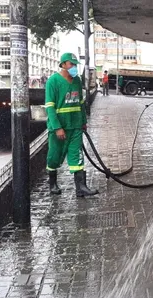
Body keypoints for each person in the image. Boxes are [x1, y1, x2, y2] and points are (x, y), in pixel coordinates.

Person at [45, 52, 99, 197]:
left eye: (75, 64)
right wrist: (57, 127)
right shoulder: (53, 82)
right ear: (63, 64)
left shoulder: (77, 80)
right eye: (71, 64)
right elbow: (50, 107)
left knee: (77, 155)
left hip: (75, 126)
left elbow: (80, 102)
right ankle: (53, 184)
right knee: (54, 156)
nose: (74, 67)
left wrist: (83, 121)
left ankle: (81, 187)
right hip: (59, 127)